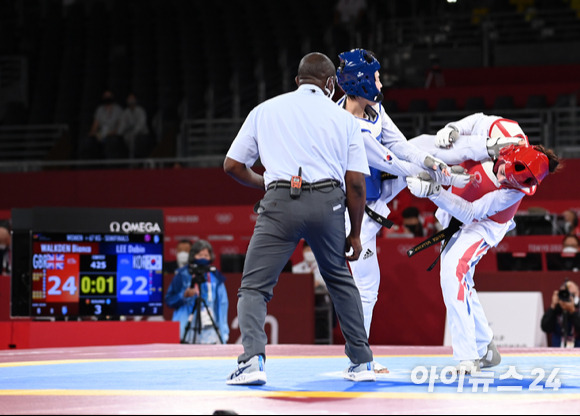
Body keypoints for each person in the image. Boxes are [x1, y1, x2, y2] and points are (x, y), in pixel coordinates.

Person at [223, 52, 375, 385]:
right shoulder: (346, 120)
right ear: (331, 84)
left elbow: (232, 165)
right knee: (339, 280)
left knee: (254, 287)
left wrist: (265, 182)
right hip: (328, 203)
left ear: (297, 81)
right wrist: (356, 233)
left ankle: (251, 362)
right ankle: (362, 362)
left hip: (279, 203)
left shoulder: (264, 110)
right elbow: (356, 185)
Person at [334, 48, 470, 373]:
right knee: (367, 288)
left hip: (377, 194)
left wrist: (429, 161)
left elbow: (401, 144)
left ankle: (455, 181)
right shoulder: (346, 125)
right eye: (377, 77)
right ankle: (358, 361)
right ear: (362, 83)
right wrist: (425, 171)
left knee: (424, 143)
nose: (381, 82)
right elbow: (389, 160)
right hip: (352, 214)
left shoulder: (374, 108)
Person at [406, 117, 561, 374]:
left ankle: (468, 357)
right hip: (462, 194)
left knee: (453, 271)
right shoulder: (506, 131)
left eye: (507, 181)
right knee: (458, 278)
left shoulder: (512, 191)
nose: (501, 180)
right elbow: (478, 120)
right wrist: (455, 127)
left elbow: (470, 213)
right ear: (506, 153)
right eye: (502, 173)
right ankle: (485, 347)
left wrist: (433, 192)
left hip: (484, 224)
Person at [165, 239, 229, 345]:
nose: (203, 258)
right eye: (200, 255)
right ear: (193, 256)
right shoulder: (182, 275)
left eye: (206, 255)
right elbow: (169, 300)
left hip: (210, 332)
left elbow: (223, 304)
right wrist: (183, 296)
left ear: (211, 257)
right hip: (187, 331)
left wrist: (224, 331)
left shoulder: (216, 277)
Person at [84, 90, 123, 159]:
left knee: (112, 141)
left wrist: (111, 133)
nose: (107, 98)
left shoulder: (118, 109)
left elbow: (120, 126)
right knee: (89, 141)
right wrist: (95, 133)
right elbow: (95, 126)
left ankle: (110, 165)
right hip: (101, 134)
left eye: (109, 96)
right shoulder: (99, 110)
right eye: (105, 96)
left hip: (112, 134)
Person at [541, 280, 580, 348]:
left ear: (578, 294)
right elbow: (545, 327)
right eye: (565, 293)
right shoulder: (557, 309)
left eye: (572, 294)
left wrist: (573, 312)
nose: (568, 297)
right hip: (557, 352)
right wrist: (553, 307)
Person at [118, 93, 150, 158]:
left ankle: (133, 158)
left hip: (141, 134)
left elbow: (141, 125)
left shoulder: (141, 111)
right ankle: (131, 158)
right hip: (129, 136)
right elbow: (122, 127)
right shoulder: (125, 113)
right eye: (130, 99)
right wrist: (120, 132)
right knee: (127, 138)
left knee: (133, 138)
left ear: (135, 100)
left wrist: (133, 133)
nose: (131, 101)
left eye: (132, 99)